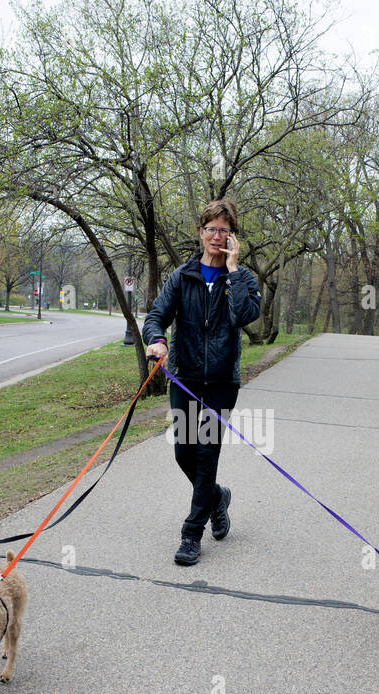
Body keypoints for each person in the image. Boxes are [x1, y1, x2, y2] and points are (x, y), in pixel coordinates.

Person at [142, 198, 262, 565]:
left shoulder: (241, 279)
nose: (217, 235)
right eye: (211, 228)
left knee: (207, 454)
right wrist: (157, 340)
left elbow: (245, 315)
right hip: (185, 380)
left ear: (233, 236)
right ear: (201, 232)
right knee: (184, 452)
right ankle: (216, 498)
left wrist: (235, 269)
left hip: (222, 383)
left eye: (224, 229)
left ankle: (191, 534)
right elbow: (156, 317)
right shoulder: (182, 277)